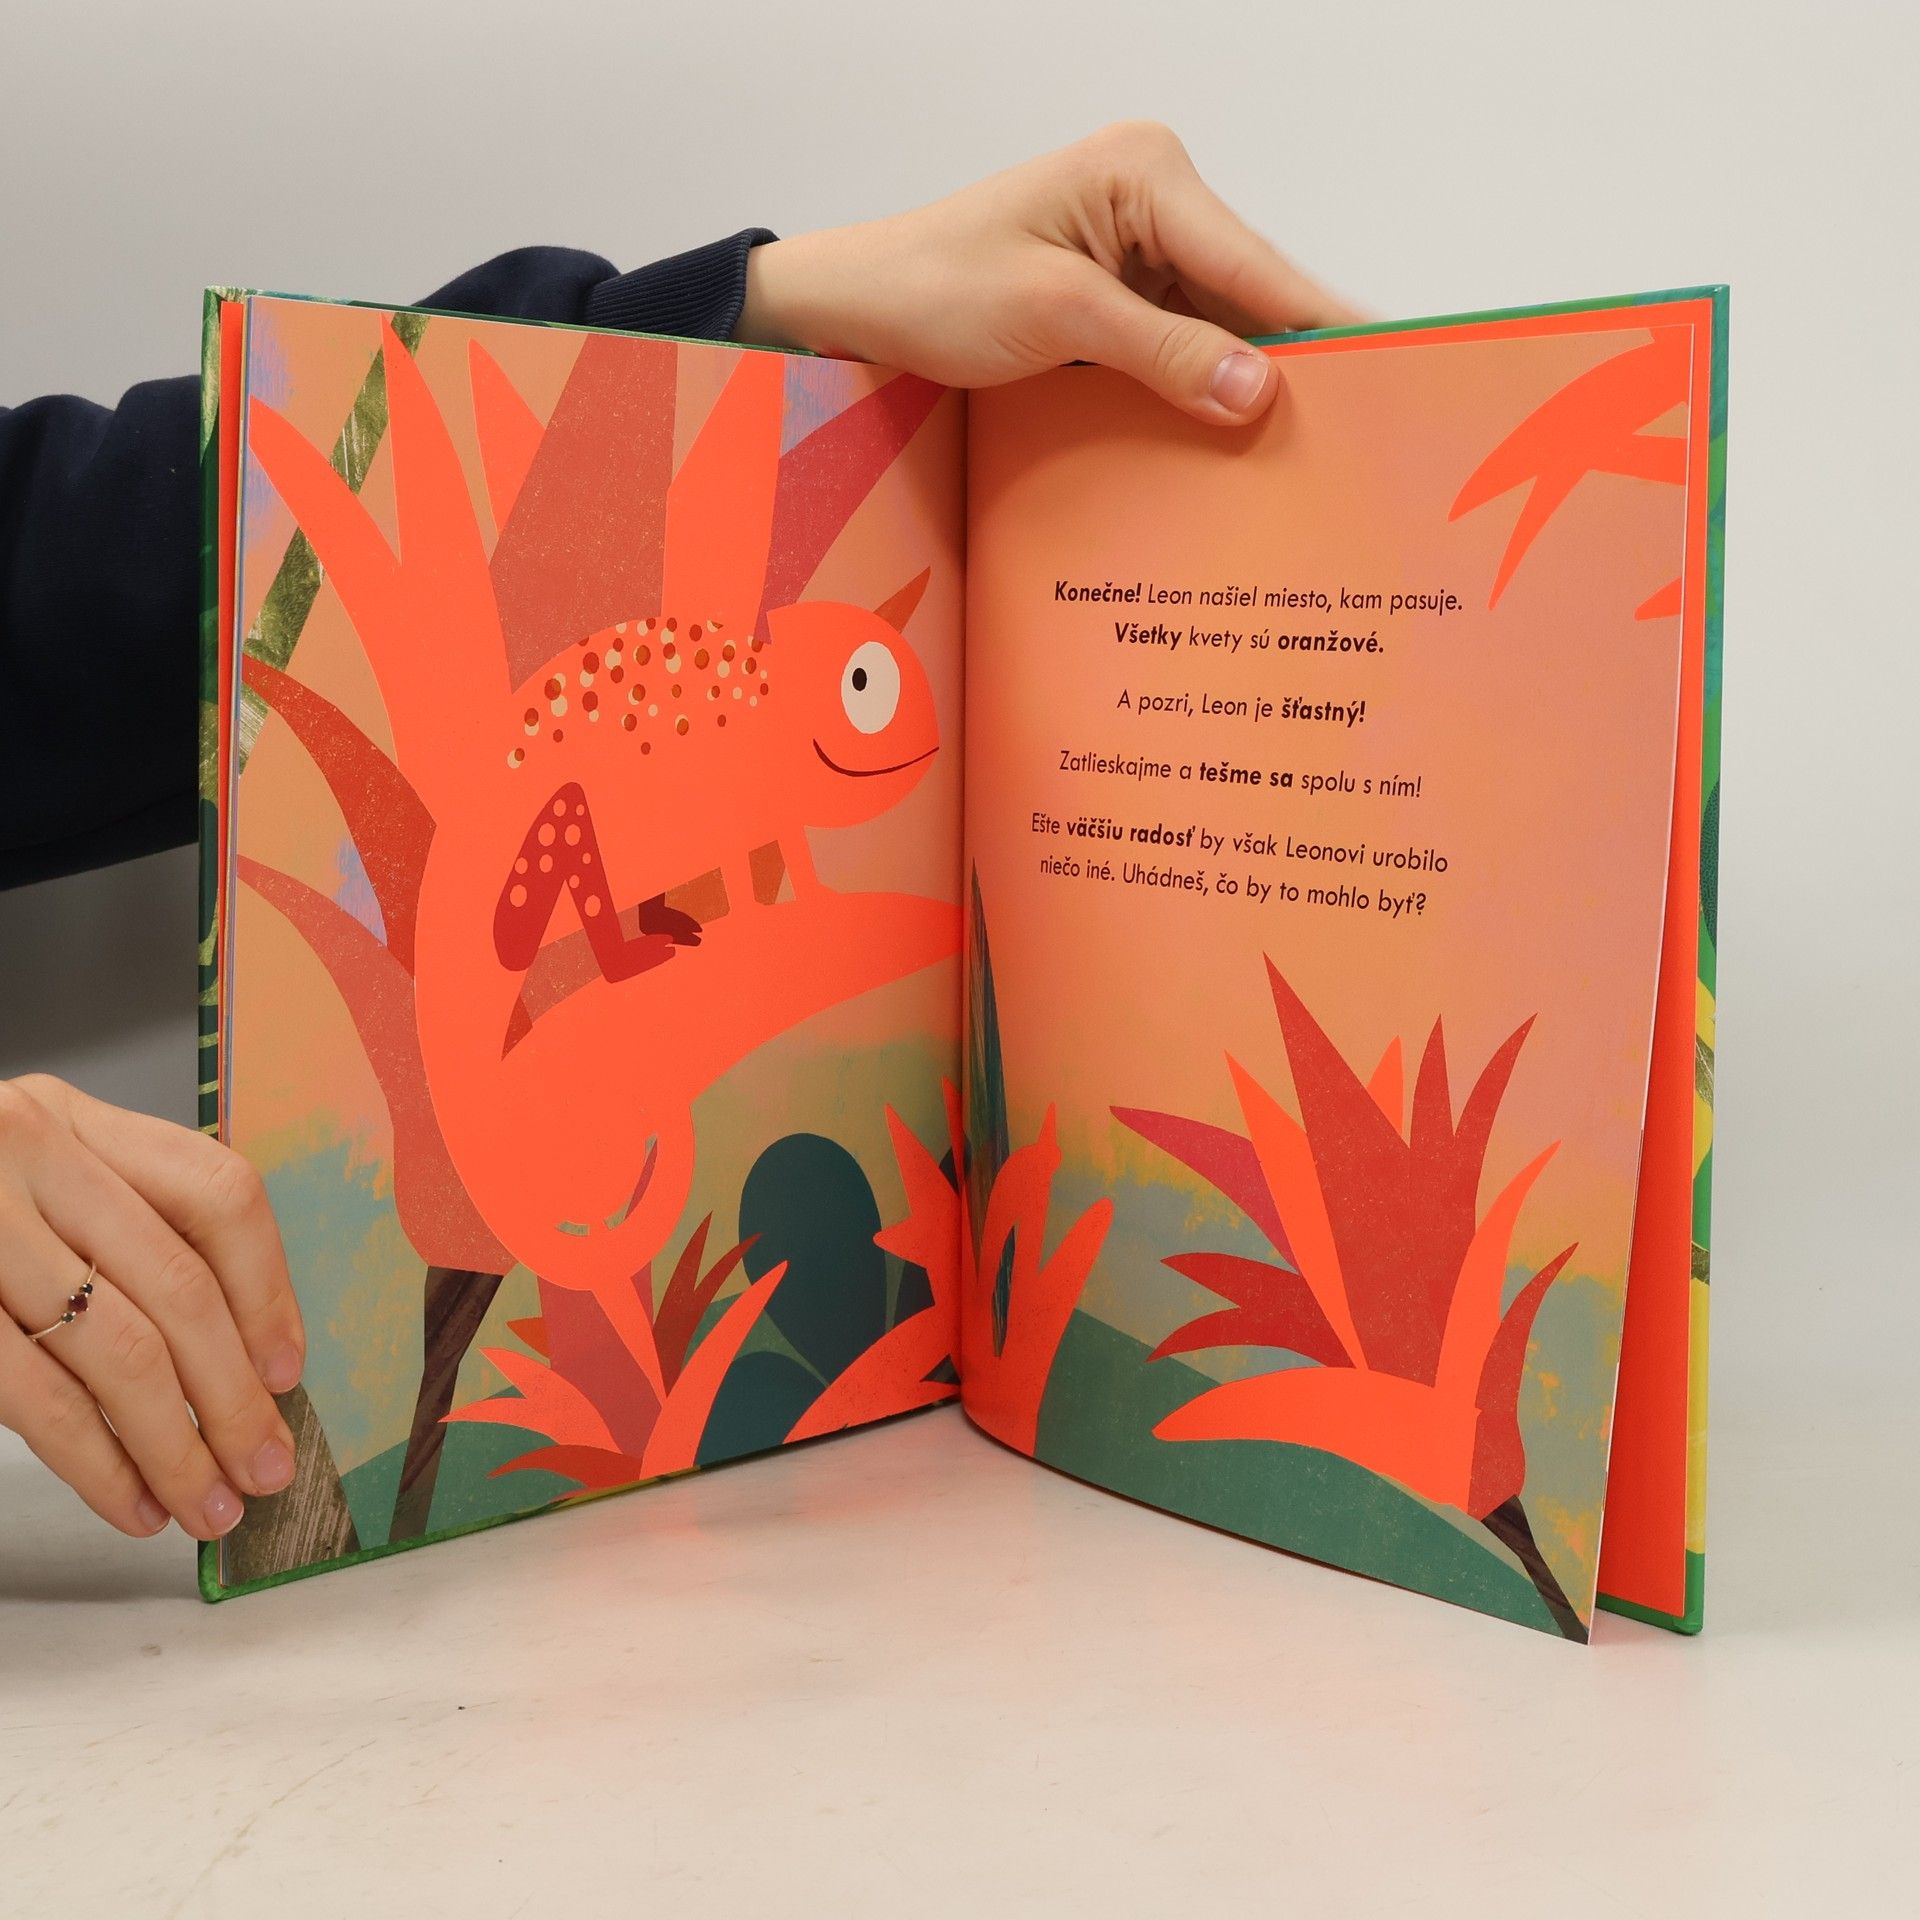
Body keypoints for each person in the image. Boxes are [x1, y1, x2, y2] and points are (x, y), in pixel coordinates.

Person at [0, 123, 1357, 1545]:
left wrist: (765, 305)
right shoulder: (718, 740)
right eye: (862, 689)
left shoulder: (755, 741)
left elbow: (63, 556)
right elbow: (576, 817)